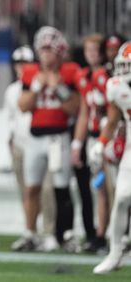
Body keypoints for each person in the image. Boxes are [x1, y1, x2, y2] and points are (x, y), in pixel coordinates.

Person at [16, 26, 80, 251]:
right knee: (32, 187)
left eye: (49, 49)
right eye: (42, 49)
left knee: (61, 188)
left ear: (60, 51)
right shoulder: (31, 72)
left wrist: (58, 88)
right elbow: (23, 106)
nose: (45, 54)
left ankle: (65, 235)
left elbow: (75, 108)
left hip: (58, 137)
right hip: (35, 138)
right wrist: (36, 87)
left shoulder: (70, 71)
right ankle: (29, 233)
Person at [5, 46, 58, 252]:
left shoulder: (42, 84)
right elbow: (11, 120)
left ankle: (49, 233)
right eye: (18, 63)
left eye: (25, 63)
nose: (21, 67)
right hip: (20, 144)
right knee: (26, 193)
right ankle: (31, 233)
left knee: (46, 190)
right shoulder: (11, 90)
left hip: (40, 143)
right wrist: (10, 143)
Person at [92, 42, 131, 274]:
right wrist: (100, 143)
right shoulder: (117, 87)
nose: (124, 71)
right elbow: (114, 118)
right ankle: (115, 252)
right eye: (123, 66)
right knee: (121, 199)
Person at [72, 34, 110, 253]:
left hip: (112, 137)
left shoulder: (110, 75)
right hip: (94, 138)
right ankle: (100, 235)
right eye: (89, 51)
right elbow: (85, 112)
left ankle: (116, 234)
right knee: (99, 189)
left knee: (116, 188)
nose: (92, 55)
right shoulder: (83, 75)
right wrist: (77, 143)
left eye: (96, 50)